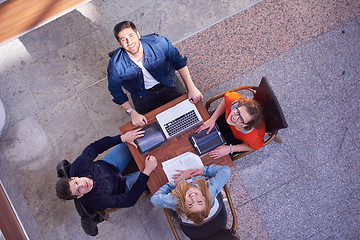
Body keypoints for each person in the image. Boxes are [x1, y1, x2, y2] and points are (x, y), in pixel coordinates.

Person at [107, 21, 203, 127]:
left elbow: (179, 62)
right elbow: (115, 91)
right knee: (156, 127)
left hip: (169, 84)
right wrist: (132, 112)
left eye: (131, 36)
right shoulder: (116, 65)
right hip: (142, 96)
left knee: (189, 117)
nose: (129, 42)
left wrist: (191, 88)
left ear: (138, 35)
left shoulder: (158, 42)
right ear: (120, 44)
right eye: (124, 39)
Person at [55, 129, 158, 210]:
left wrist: (122, 138)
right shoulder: (97, 201)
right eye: (78, 190)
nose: (82, 185)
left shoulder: (78, 166)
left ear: (74, 177)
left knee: (133, 139)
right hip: (121, 185)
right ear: (79, 196)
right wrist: (146, 172)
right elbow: (129, 200)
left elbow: (94, 147)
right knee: (155, 172)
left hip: (109, 164)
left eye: (76, 182)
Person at [150, 164, 231, 225]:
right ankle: (221, 193)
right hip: (212, 204)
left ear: (184, 205)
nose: (193, 198)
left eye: (190, 204)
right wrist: (203, 171)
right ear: (204, 198)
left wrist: (176, 181)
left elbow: (154, 200)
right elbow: (226, 170)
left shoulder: (176, 201)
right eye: (199, 201)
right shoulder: (210, 190)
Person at [196, 91, 266, 159]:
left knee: (211, 153)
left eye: (241, 119)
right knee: (200, 129)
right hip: (226, 120)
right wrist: (212, 119)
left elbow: (254, 147)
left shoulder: (252, 136)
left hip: (236, 137)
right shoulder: (233, 101)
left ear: (246, 125)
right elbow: (226, 99)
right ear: (238, 106)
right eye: (238, 112)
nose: (234, 117)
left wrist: (230, 149)